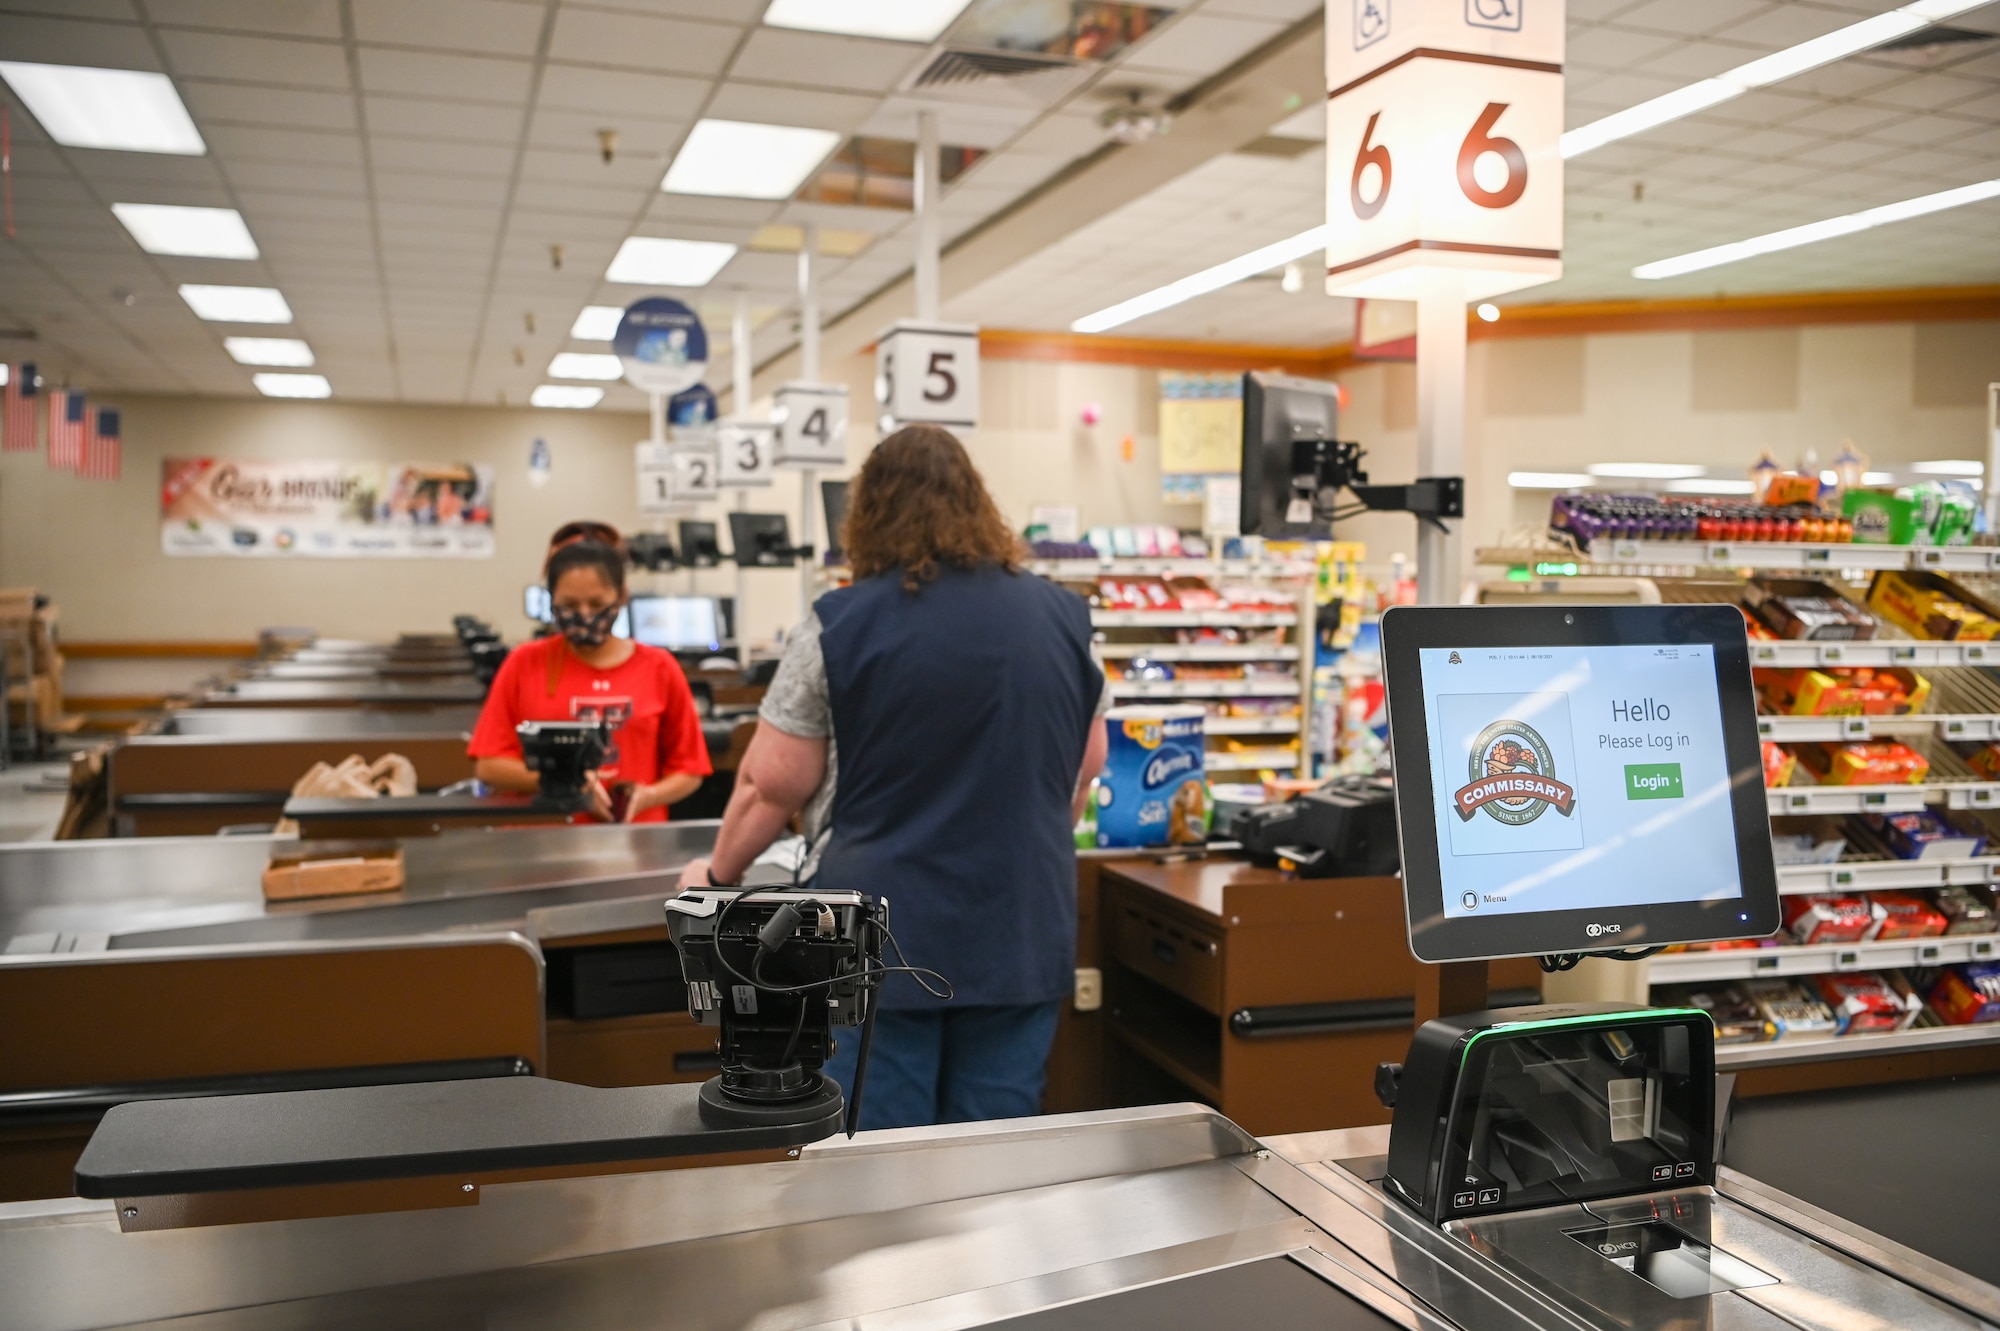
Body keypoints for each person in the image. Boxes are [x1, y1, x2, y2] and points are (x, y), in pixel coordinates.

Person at [679, 425, 1108, 1129]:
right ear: (980, 504)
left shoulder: (839, 624)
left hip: (881, 935)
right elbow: (1083, 768)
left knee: (881, 1154)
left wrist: (717, 874)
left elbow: (770, 784)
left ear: (867, 517)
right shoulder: (1065, 618)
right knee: (994, 1149)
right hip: (1022, 924)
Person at [470, 538, 710, 822]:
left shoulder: (659, 668)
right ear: (552, 600)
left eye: (597, 603)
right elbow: (489, 766)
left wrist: (649, 796)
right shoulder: (524, 664)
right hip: (542, 843)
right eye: (570, 604)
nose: (584, 614)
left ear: (621, 597)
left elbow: (690, 769)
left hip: (636, 844)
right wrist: (568, 787)